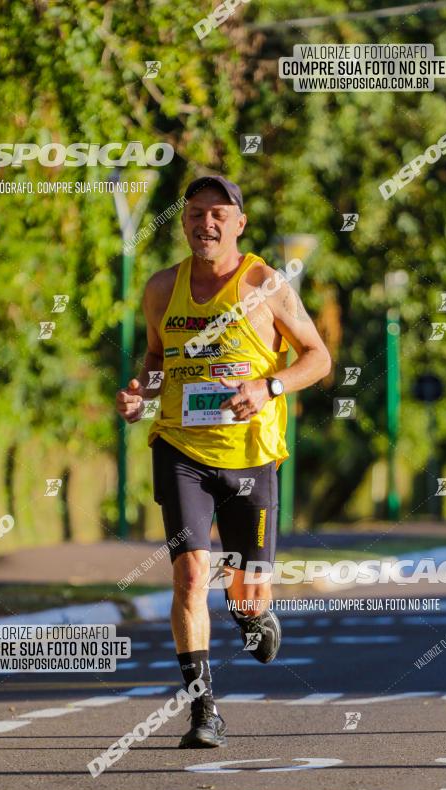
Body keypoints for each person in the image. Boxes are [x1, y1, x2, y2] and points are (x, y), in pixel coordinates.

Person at [115, 175, 331, 748]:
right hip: (180, 448)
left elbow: (319, 357)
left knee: (246, 589)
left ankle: (252, 615)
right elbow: (158, 360)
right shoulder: (164, 288)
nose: (203, 224)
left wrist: (271, 388)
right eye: (194, 213)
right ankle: (203, 710)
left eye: (217, 214)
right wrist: (143, 393)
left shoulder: (265, 283)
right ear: (183, 221)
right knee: (190, 576)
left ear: (239, 223)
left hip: (250, 454)